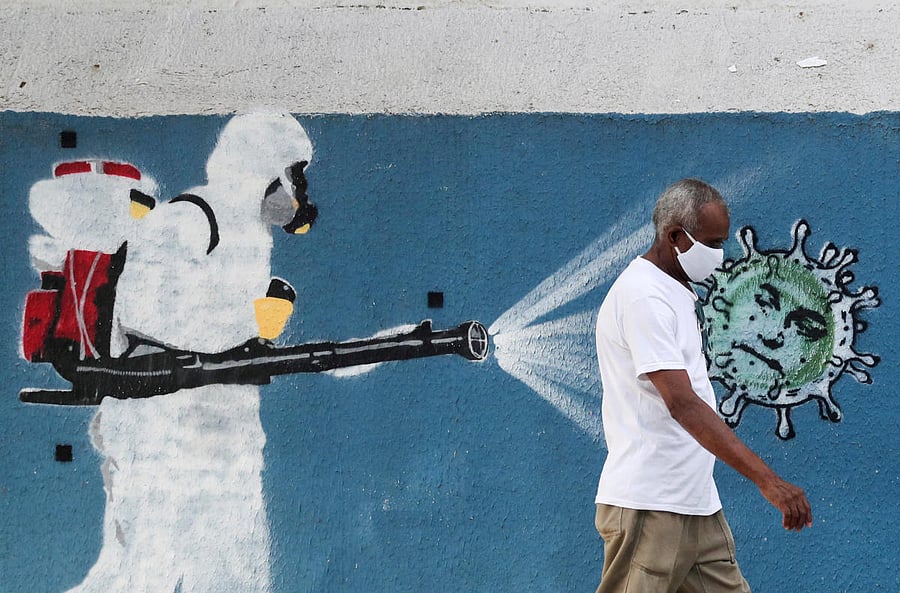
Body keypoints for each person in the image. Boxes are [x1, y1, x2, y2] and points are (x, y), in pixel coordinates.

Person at [593, 178, 812, 593]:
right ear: (675, 236)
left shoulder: (674, 291)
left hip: (694, 504)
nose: (720, 255)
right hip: (650, 506)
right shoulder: (645, 297)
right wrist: (767, 479)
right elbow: (682, 403)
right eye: (712, 243)